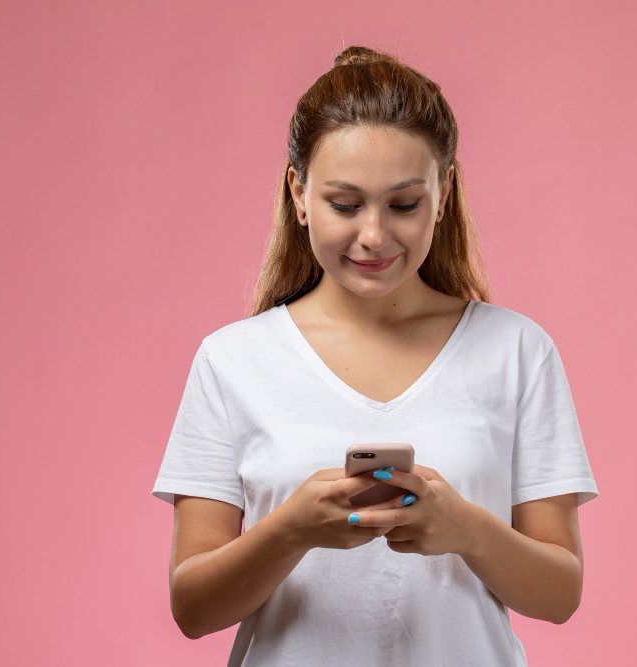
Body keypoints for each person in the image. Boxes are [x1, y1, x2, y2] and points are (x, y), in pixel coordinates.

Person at [151, 44, 599, 667]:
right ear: (299, 194)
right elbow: (192, 609)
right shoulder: (232, 362)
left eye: (403, 204)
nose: (373, 235)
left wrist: (466, 529)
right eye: (344, 203)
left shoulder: (517, 351)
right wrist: (291, 530)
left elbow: (559, 594)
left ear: (443, 193)